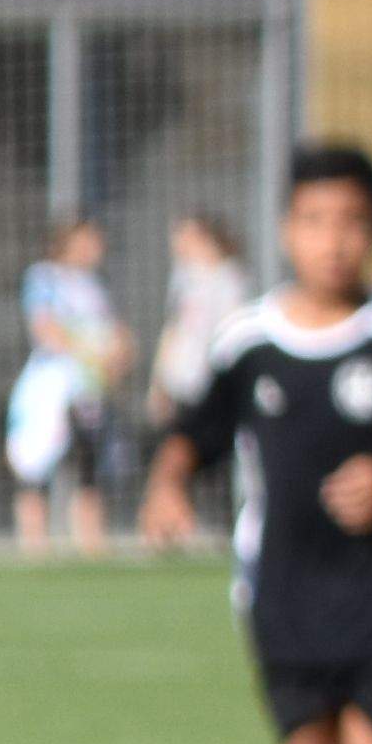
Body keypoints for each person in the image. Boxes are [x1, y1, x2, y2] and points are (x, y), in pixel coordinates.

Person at [139, 141, 372, 744]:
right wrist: (167, 487)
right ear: (286, 231)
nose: (334, 240)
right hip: (282, 591)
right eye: (316, 221)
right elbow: (194, 435)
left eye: (353, 222)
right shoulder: (252, 342)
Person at [12, 213, 120, 556]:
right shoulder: (44, 277)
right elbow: (45, 326)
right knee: (36, 462)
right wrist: (89, 352)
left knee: (89, 460)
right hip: (54, 384)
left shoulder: (94, 287)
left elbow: (113, 334)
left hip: (88, 387)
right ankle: (34, 544)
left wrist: (117, 354)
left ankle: (90, 542)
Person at [149, 208, 253, 537]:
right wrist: (159, 381)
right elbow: (174, 330)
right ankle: (173, 524)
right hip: (182, 381)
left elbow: (231, 333)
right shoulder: (184, 279)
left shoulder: (230, 278)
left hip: (211, 382)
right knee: (175, 451)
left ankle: (223, 525)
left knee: (215, 454)